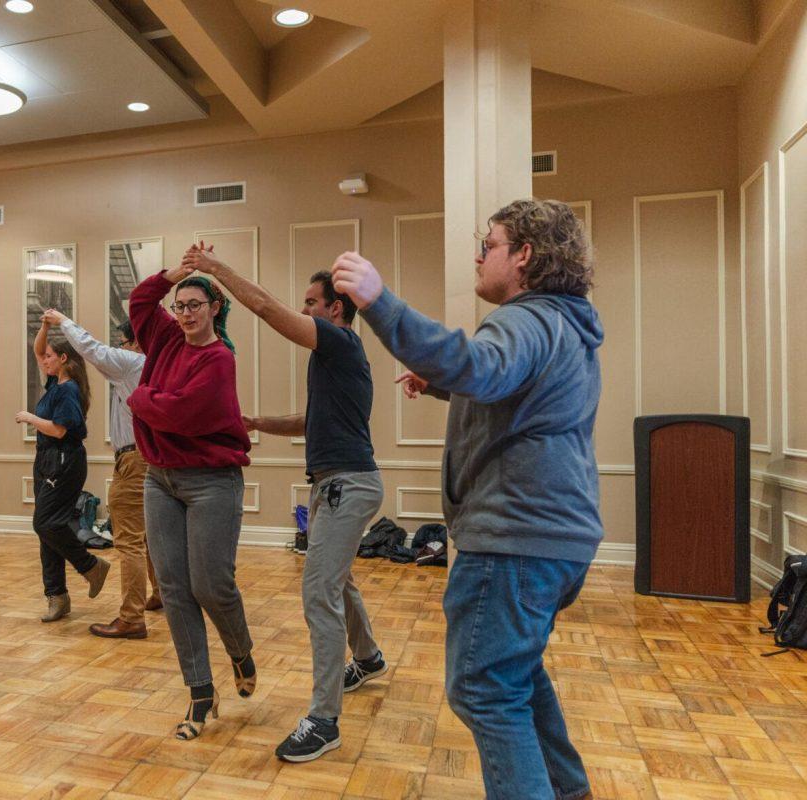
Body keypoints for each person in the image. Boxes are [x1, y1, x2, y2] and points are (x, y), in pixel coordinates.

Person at [331, 198, 602, 800]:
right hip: (558, 538)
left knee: (484, 689)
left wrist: (380, 301)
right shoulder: (566, 323)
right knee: (516, 674)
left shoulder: (524, 320)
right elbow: (514, 396)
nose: (479, 255)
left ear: (525, 255)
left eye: (491, 243)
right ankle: (569, 790)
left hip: (514, 537)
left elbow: (481, 366)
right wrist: (446, 386)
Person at [181, 244, 388, 762]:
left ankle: (324, 719)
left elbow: (269, 312)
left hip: (348, 484)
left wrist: (215, 269)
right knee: (338, 581)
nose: (305, 311)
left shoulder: (338, 342)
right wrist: (258, 424)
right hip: (336, 482)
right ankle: (367, 656)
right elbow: (310, 422)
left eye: (312, 302)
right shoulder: (332, 362)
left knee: (318, 591)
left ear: (336, 308)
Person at [127, 264, 255, 740]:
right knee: (176, 591)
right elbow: (140, 301)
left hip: (211, 481)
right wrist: (174, 274)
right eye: (179, 306)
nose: (184, 314)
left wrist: (141, 399)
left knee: (211, 585)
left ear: (215, 309)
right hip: (159, 478)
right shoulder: (164, 338)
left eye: (194, 305)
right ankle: (201, 693)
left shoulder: (220, 358)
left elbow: (183, 414)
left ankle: (240, 650)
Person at [42, 309, 162, 638]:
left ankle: (131, 617)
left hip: (134, 459)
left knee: (129, 541)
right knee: (148, 534)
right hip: (152, 457)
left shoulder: (135, 362)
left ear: (135, 343)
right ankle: (160, 593)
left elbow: (93, 349)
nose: (120, 348)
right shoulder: (162, 364)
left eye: (124, 342)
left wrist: (63, 321)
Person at [15, 317, 110, 622]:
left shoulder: (68, 391)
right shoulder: (56, 383)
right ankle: (56, 596)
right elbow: (37, 349)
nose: (43, 360)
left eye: (50, 357)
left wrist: (29, 417)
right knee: (47, 530)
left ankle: (90, 566)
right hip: (46, 461)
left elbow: (58, 430)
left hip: (63, 461)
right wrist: (43, 327)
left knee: (46, 524)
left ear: (64, 359)